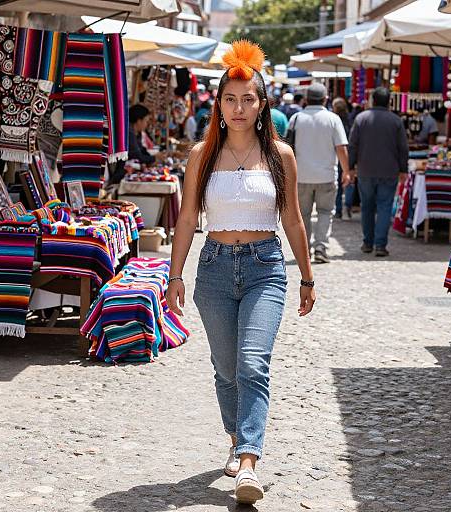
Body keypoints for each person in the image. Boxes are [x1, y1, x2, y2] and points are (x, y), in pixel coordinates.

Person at [165, 40, 315, 505]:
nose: (239, 107)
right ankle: (236, 437)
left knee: (253, 363)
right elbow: (187, 218)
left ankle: (248, 460)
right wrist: (175, 276)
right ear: (220, 104)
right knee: (226, 369)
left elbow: (292, 218)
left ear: (262, 103)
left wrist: (307, 277)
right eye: (230, 99)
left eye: (248, 99)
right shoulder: (200, 155)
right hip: (212, 269)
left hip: (264, 268)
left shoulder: (280, 154)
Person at [288, 83, 349, 263]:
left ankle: (304, 249)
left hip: (301, 176)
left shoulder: (296, 119)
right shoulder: (333, 119)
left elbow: (288, 148)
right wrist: (346, 171)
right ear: (325, 99)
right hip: (326, 176)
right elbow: (341, 148)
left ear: (306, 99)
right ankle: (321, 247)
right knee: (325, 212)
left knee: (303, 214)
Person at [348, 87, 409, 257]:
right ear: (389, 101)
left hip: (365, 170)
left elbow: (353, 145)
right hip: (389, 171)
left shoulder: (361, 118)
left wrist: (350, 167)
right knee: (384, 206)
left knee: (367, 206)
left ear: (373, 100)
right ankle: (380, 245)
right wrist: (404, 169)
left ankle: (368, 243)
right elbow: (403, 148)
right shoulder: (396, 121)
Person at [332, 97, 353, 219]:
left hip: (337, 154)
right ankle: (347, 207)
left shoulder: (334, 120)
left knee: (339, 184)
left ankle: (339, 209)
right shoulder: (351, 120)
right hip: (349, 154)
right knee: (348, 181)